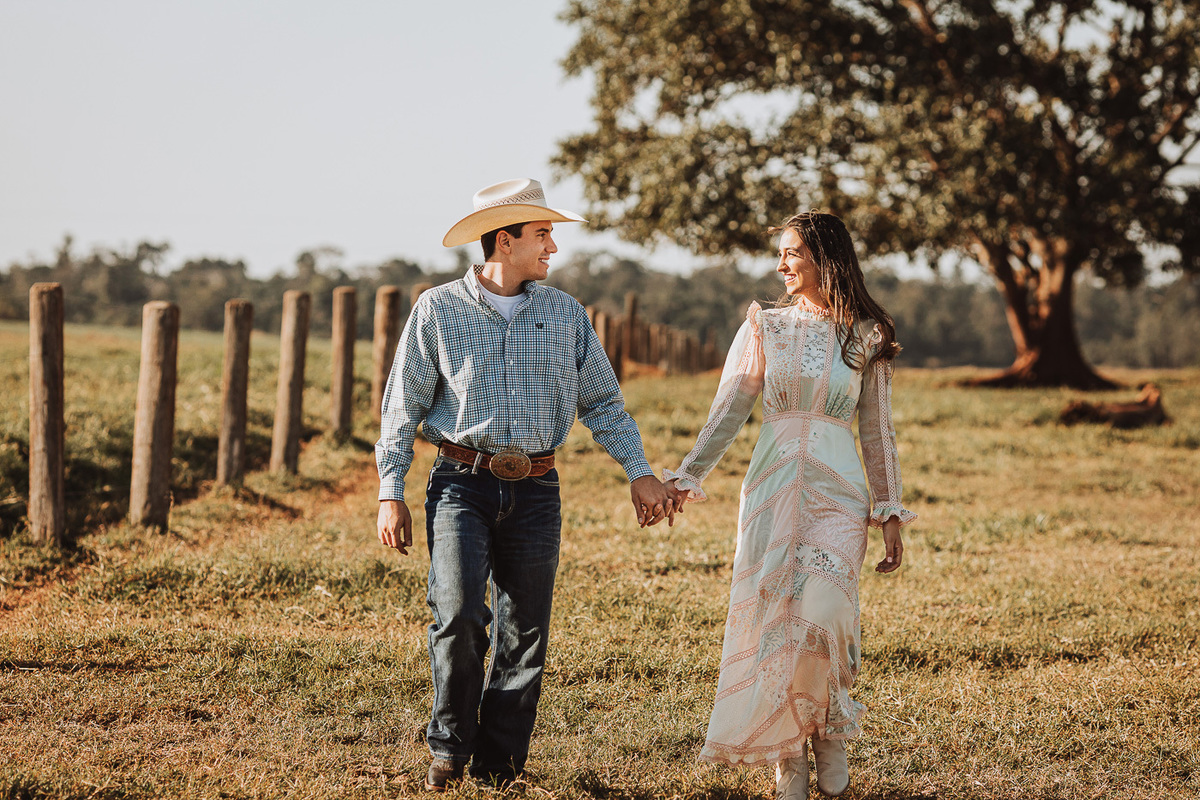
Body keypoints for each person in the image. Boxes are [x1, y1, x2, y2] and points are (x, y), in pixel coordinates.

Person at [375, 178, 676, 791]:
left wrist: (640, 472)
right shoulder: (436, 309)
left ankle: (499, 765)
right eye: (543, 236)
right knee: (458, 614)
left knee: (526, 626)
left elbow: (604, 403)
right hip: (461, 481)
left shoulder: (565, 314)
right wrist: (391, 490)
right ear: (505, 240)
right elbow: (401, 405)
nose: (552, 250)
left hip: (538, 488)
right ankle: (449, 746)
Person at [663, 211, 915, 798]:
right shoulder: (765, 328)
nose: (781, 264)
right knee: (777, 624)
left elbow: (877, 432)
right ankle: (787, 759)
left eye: (792, 252)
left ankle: (828, 733)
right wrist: (688, 473)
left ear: (826, 258)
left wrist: (890, 510)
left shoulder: (866, 335)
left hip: (839, 496)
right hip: (772, 487)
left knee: (824, 617)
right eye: (780, 253)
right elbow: (729, 408)